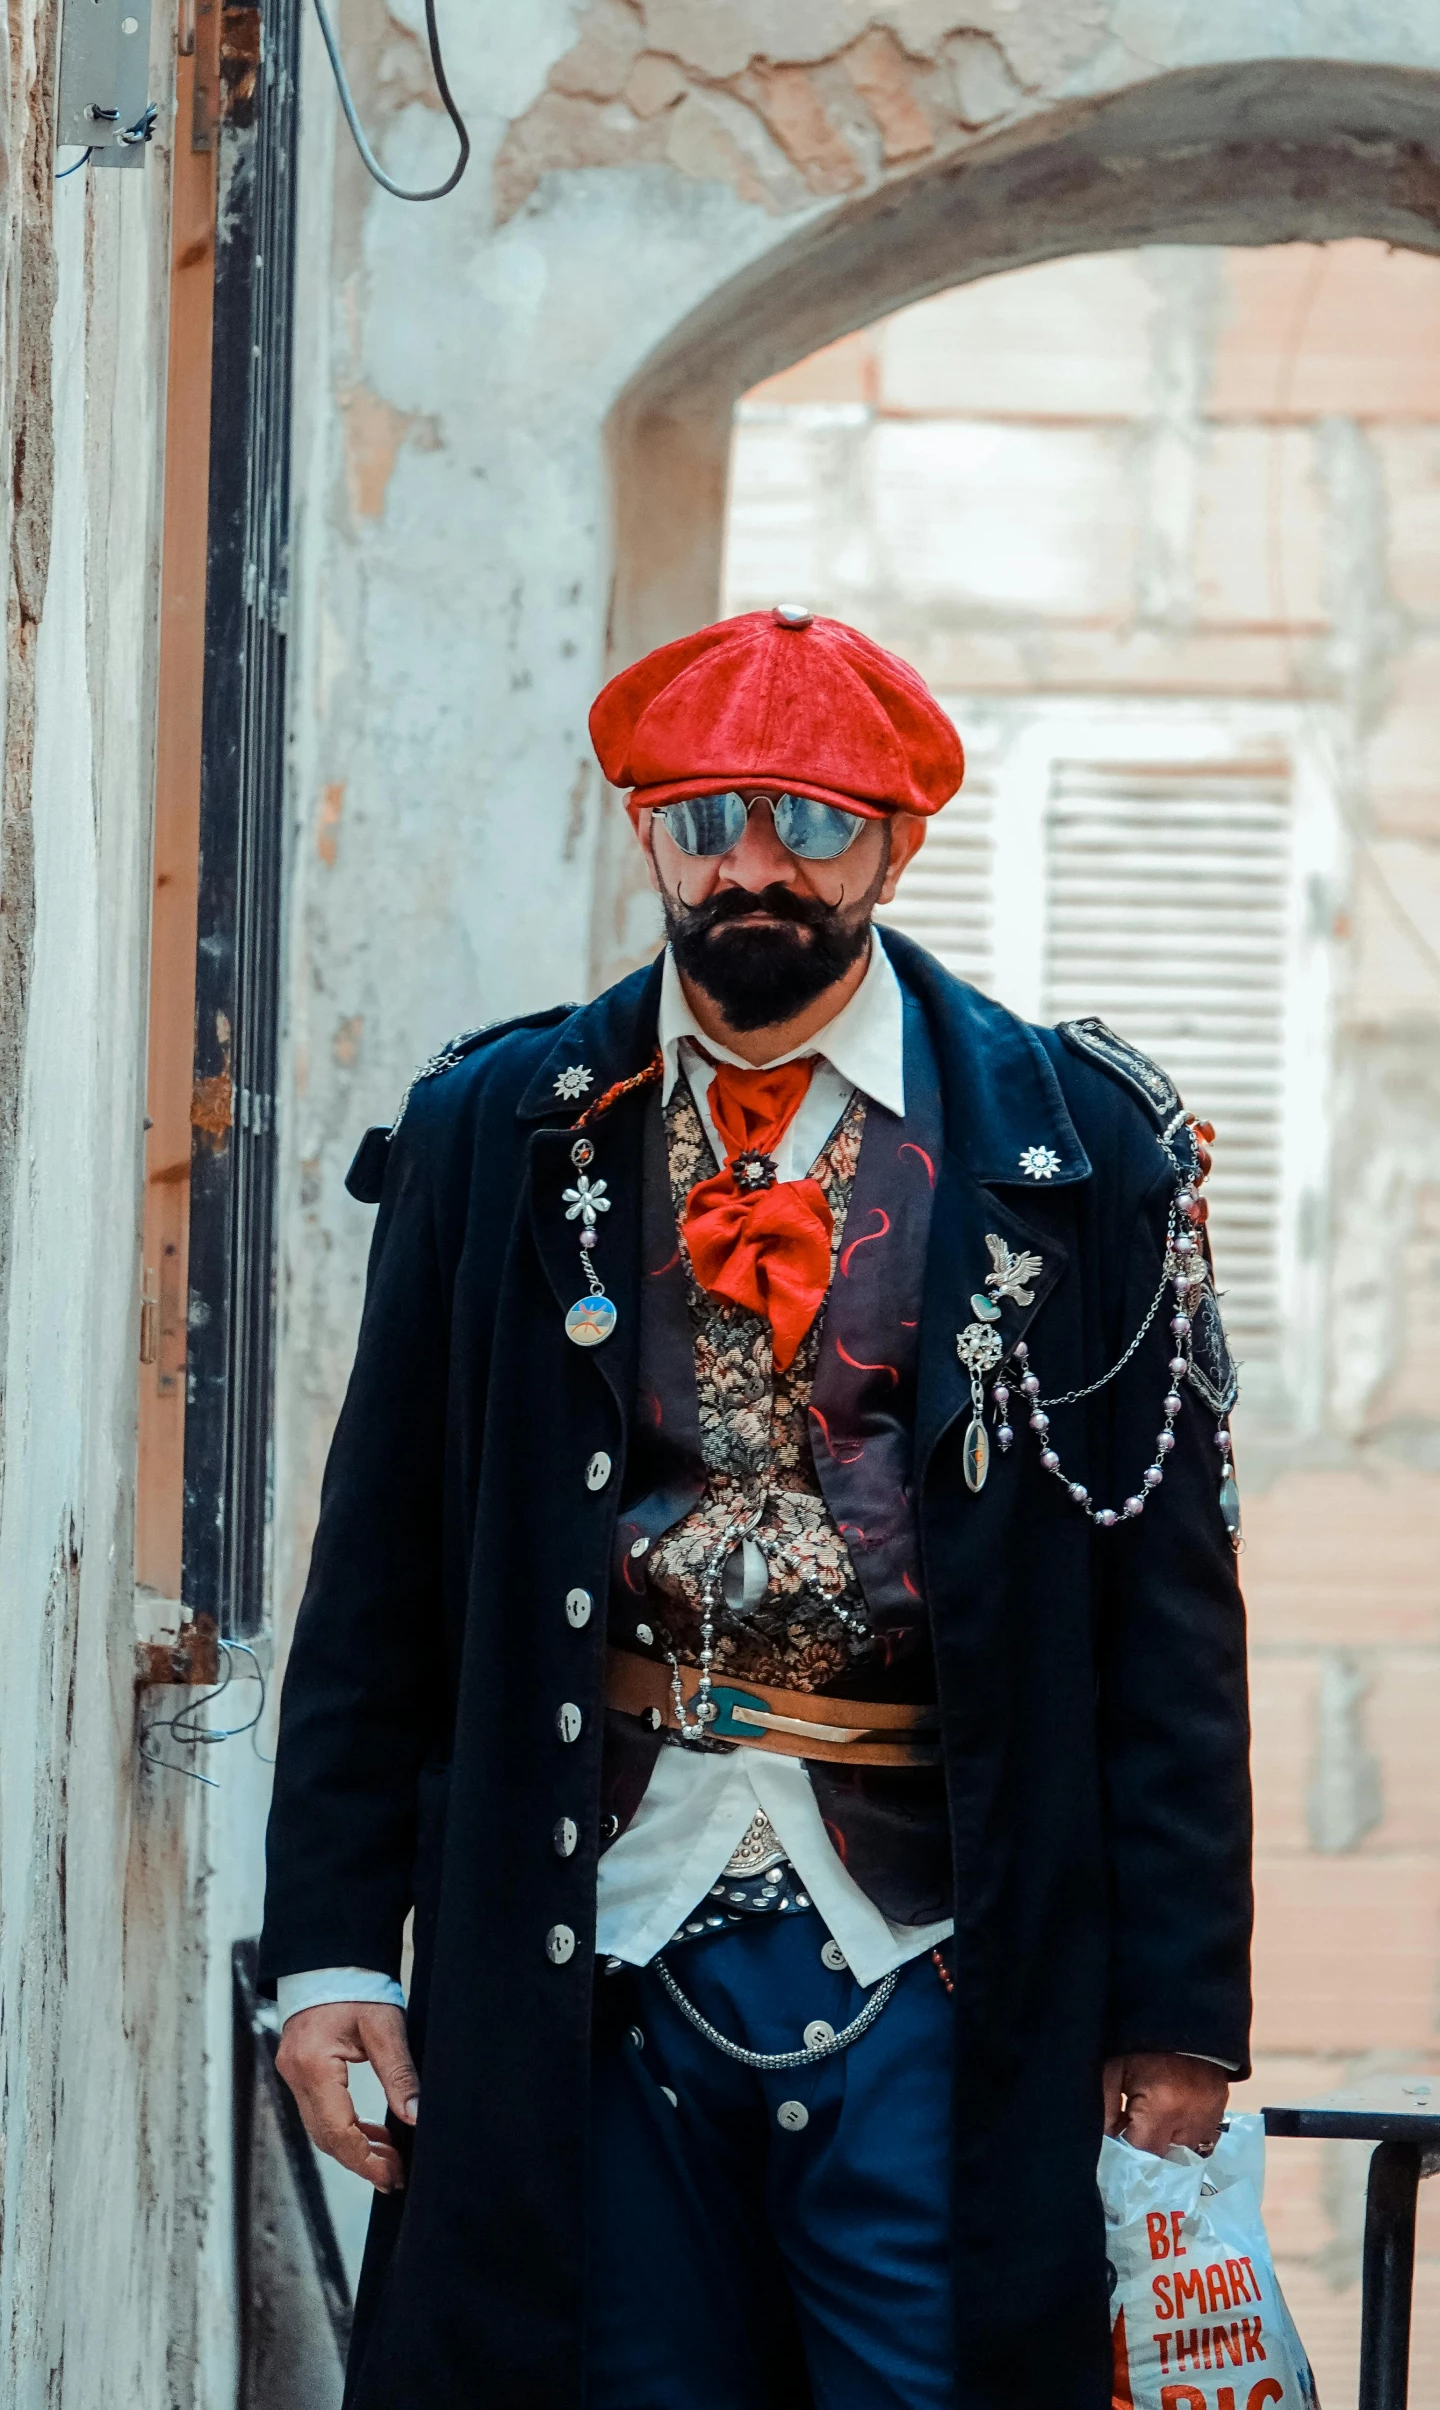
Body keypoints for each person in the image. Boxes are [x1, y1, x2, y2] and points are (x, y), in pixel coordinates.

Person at [260, 606, 1252, 2410]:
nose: (754, 864)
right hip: (585, 1962)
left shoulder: (1077, 1144)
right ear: (646, 828)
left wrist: (1181, 2011)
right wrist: (331, 1946)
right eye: (709, 815)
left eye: (810, 817)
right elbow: (379, 1570)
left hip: (945, 1967)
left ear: (895, 839)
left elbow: (1167, 1614)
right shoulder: (498, 1126)